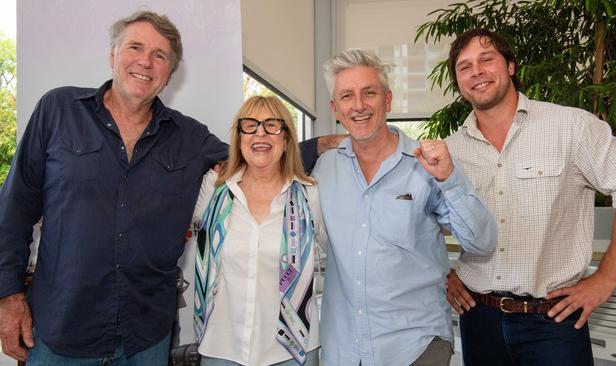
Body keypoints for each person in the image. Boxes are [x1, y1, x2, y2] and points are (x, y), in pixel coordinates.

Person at [0, 10, 329, 364]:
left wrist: (324, 145)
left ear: (170, 73)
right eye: (135, 47)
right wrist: (8, 297)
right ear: (112, 56)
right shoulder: (59, 110)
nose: (146, 61)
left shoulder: (189, 138)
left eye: (160, 55)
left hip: (146, 337)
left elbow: (252, 154)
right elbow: (13, 210)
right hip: (61, 330)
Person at [443, 28, 616, 365]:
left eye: (486, 59)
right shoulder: (451, 150)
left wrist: (606, 278)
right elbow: (419, 221)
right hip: (478, 320)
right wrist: (444, 270)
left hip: (553, 321)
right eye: (464, 67)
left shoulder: (571, 127)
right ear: (458, 81)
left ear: (510, 65)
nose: (476, 72)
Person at [312, 49, 496, 366]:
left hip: (416, 348)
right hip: (343, 350)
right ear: (335, 109)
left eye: (369, 93)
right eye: (347, 96)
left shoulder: (428, 164)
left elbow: (481, 242)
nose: (358, 105)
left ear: (388, 99)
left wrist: (451, 180)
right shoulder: (323, 171)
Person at [192, 95, 327, 366]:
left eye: (272, 126)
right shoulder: (215, 189)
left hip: (293, 350)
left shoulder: (310, 193)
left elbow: (336, 256)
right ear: (239, 137)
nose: (260, 134)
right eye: (250, 125)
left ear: (287, 139)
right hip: (222, 348)